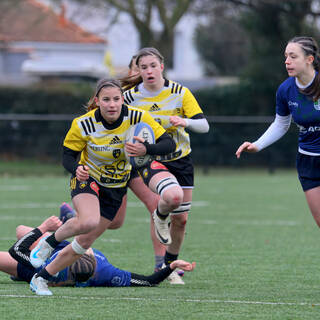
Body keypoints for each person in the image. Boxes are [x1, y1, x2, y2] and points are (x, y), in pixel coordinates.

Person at [29, 79, 184, 296]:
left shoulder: (137, 117)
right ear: (97, 101)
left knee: (83, 243)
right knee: (88, 221)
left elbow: (169, 143)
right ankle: (49, 241)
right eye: (106, 99)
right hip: (88, 179)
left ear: (122, 99)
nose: (112, 104)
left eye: (116, 99)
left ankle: (40, 278)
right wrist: (76, 169)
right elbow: (67, 156)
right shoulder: (84, 124)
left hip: (116, 186)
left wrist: (145, 148)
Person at [121, 47, 210, 284]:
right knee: (172, 197)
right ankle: (160, 218)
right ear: (138, 70)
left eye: (153, 66)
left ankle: (169, 268)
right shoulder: (129, 97)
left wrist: (185, 121)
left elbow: (204, 126)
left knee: (181, 220)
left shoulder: (180, 93)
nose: (149, 71)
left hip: (181, 160)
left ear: (162, 66)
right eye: (143, 67)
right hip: (150, 161)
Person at [236, 36, 320, 229]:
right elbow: (281, 124)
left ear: (309, 59)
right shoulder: (285, 90)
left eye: (293, 56)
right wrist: (257, 145)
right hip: (308, 161)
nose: (287, 61)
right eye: (285, 56)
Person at [4, 216, 196, 291]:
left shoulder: (53, 272)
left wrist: (171, 265)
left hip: (43, 266)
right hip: (61, 249)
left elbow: (17, 250)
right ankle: (70, 220)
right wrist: (171, 265)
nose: (57, 284)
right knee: (21, 230)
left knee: (14, 260)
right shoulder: (107, 273)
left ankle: (23, 276)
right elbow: (149, 281)